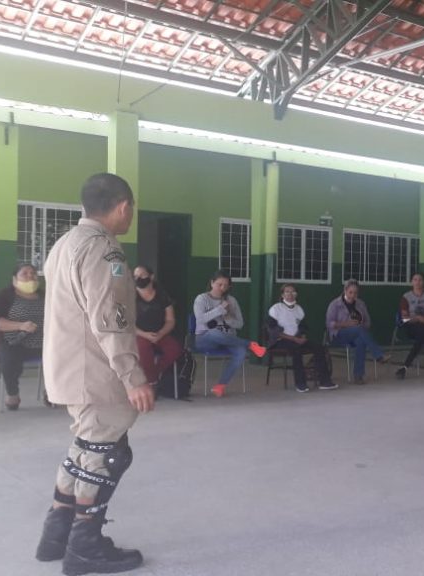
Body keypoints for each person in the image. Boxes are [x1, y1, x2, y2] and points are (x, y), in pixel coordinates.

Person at [34, 173, 154, 574]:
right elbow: (112, 320)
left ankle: (56, 534)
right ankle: (85, 545)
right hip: (96, 373)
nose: (131, 216)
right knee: (106, 454)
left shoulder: (63, 245)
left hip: (67, 369)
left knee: (84, 448)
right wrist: (132, 376)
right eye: (131, 209)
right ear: (122, 207)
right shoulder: (105, 253)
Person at [193, 270, 266, 397]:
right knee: (214, 333)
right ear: (212, 283)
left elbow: (240, 324)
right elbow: (200, 319)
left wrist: (227, 317)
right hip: (205, 339)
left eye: (226, 285)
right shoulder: (201, 298)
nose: (222, 288)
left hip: (228, 339)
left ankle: (220, 386)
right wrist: (220, 309)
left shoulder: (232, 300)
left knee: (240, 352)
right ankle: (250, 344)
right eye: (219, 284)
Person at [0, 263, 45, 410]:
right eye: (25, 273)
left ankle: (52, 392)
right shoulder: (3, 297)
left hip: (43, 343)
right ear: (14, 279)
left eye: (33, 273)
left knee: (62, 356)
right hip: (12, 342)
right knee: (9, 357)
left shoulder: (44, 296)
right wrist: (20, 326)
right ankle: (13, 393)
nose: (30, 276)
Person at [267, 284, 335, 392]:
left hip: (296, 340)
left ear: (296, 294)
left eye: (293, 292)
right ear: (282, 295)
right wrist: (294, 339)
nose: (290, 294)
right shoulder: (276, 309)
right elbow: (273, 331)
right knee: (296, 349)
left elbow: (303, 327)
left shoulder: (299, 309)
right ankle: (301, 384)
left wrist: (302, 336)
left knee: (319, 348)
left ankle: (325, 381)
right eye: (287, 292)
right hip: (280, 341)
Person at [325, 279, 390, 385]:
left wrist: (361, 324)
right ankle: (379, 356)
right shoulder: (335, 304)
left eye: (355, 293)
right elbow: (329, 324)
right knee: (360, 331)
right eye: (350, 292)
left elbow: (368, 322)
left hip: (357, 333)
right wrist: (346, 324)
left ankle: (358, 376)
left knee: (361, 340)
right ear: (345, 291)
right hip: (339, 335)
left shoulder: (360, 304)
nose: (353, 295)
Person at [132, 265, 184, 396]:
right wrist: (145, 334)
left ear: (151, 277)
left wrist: (160, 333)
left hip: (160, 333)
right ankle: (152, 384)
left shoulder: (162, 295)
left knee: (175, 349)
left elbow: (170, 320)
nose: (138, 278)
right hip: (139, 333)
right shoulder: (130, 296)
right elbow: (126, 323)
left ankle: (154, 374)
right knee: (143, 349)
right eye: (135, 276)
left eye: (142, 275)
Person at [396, 272, 424, 380]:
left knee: (421, 336)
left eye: (420, 280)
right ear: (412, 282)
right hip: (412, 327)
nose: (417, 282)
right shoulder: (406, 297)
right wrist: (419, 318)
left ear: (423, 282)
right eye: (415, 280)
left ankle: (404, 368)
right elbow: (405, 318)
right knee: (421, 332)